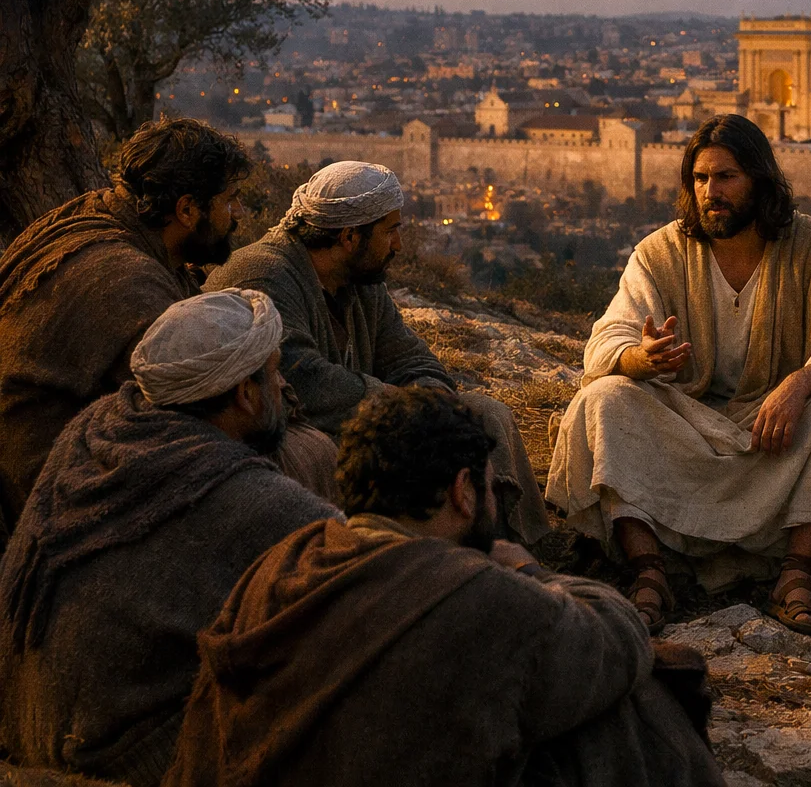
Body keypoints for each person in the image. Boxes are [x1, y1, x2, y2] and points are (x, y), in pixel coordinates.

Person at [164, 387, 725, 787]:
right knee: (638, 703)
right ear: (462, 492)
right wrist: (532, 570)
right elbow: (619, 637)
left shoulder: (283, 561)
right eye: (486, 487)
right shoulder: (468, 593)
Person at [546, 114, 811, 636]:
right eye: (700, 179)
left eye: (726, 177)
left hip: (777, 432)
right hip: (688, 428)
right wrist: (639, 359)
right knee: (604, 398)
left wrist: (799, 383)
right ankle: (649, 572)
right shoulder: (660, 254)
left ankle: (796, 576)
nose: (710, 192)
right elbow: (609, 339)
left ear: (760, 180)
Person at [0, 291, 339, 787]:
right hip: (120, 759)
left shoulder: (94, 430)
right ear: (245, 393)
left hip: (20, 721)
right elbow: (380, 579)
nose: (284, 384)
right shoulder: (241, 496)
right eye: (273, 371)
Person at [206, 160, 549, 544]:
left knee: (487, 414)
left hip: (368, 421)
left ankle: (505, 544)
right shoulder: (265, 275)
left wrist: (431, 400)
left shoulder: (361, 278)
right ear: (350, 237)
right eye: (391, 231)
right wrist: (402, 409)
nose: (399, 245)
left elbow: (408, 356)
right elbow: (304, 379)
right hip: (297, 436)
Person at [0, 118, 249, 537]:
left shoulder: (98, 214)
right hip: (53, 498)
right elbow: (214, 406)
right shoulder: (124, 280)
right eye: (231, 199)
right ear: (187, 210)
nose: (240, 212)